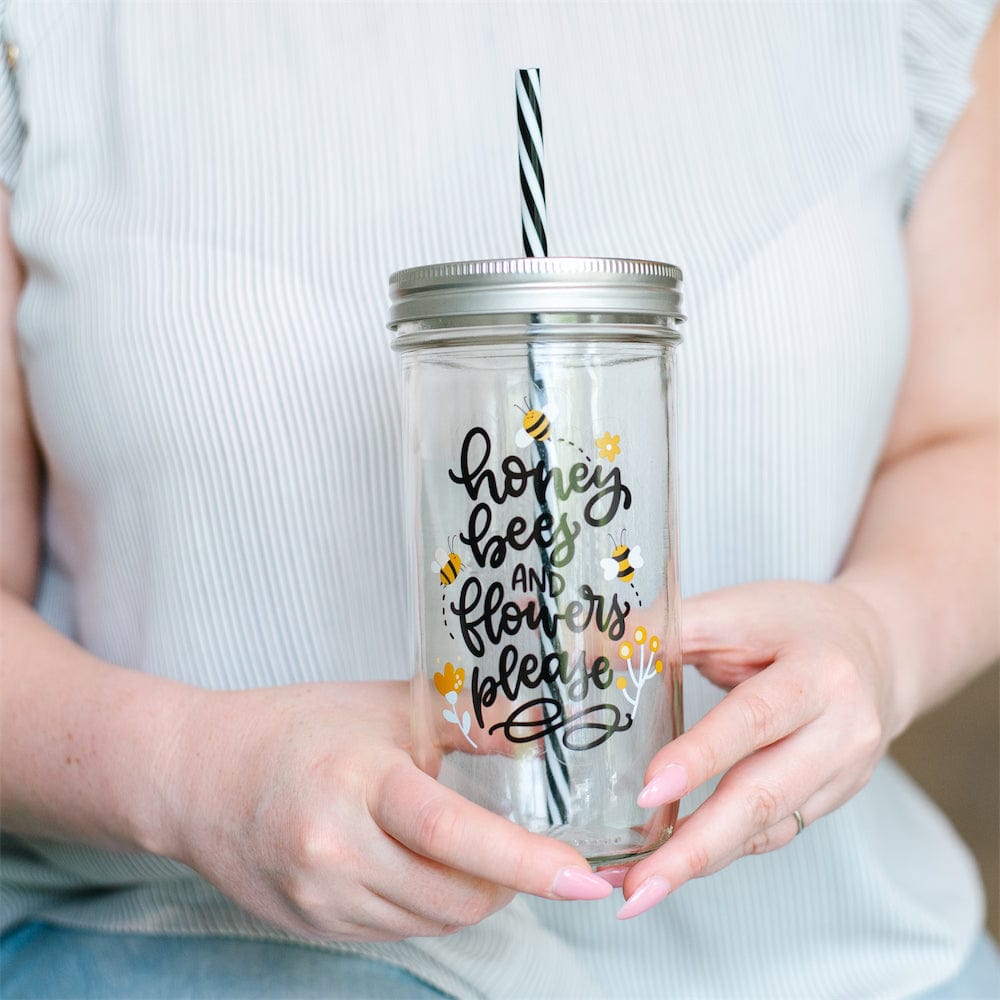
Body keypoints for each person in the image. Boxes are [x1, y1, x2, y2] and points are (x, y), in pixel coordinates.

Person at [1, 2, 997, 997]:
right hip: (187, 941)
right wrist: (190, 774)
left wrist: (879, 634)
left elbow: (967, 437)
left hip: (830, 943)